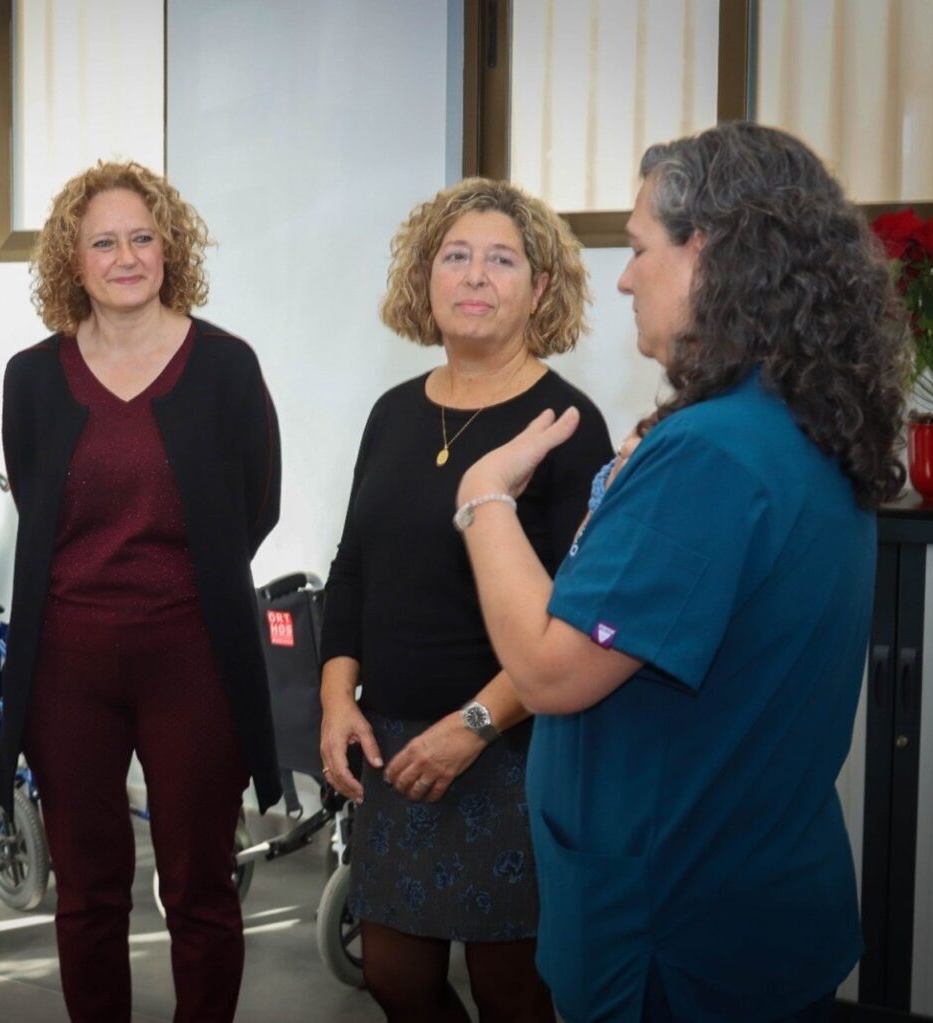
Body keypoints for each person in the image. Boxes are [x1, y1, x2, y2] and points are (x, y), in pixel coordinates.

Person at [453, 122, 907, 1021]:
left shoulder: (711, 452)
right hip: (758, 899)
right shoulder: (798, 419)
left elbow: (547, 671)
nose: (624, 279)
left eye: (637, 248)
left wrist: (484, 498)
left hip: (676, 938)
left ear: (708, 251)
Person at [318, 178, 610, 1022]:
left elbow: (578, 616)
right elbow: (353, 568)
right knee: (394, 977)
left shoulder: (566, 423)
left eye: (501, 260)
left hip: (513, 745)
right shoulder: (392, 413)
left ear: (540, 289)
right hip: (395, 744)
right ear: (427, 278)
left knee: (511, 993)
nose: (475, 275)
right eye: (455, 256)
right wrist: (337, 698)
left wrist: (473, 725)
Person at [0, 159, 281, 1022]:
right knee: (87, 892)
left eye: (142, 238)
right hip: (68, 666)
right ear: (72, 261)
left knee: (200, 886)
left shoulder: (226, 366)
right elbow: (36, 499)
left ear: (170, 248)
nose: (125, 257)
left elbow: (256, 505)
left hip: (193, 658)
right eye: (103, 243)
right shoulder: (32, 377)